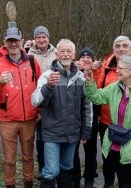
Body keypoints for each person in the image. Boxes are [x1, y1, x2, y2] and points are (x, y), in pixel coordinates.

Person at [84, 54, 131, 188]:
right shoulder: (114, 87)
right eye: (117, 67)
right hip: (115, 145)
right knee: (122, 181)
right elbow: (96, 98)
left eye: (121, 68)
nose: (117, 70)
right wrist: (90, 82)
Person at [31, 39, 93, 188]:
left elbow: (87, 106)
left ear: (73, 55)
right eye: (62, 52)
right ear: (57, 54)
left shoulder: (80, 77)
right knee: (51, 170)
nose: (65, 55)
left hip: (72, 133)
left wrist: (86, 130)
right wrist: (49, 87)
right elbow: (35, 101)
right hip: (52, 132)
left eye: (69, 51)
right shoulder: (48, 75)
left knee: (66, 167)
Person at [0, 27, 42, 188]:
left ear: (21, 41)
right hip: (8, 119)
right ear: (4, 43)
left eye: (15, 40)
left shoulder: (32, 61)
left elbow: (40, 86)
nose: (13, 44)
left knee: (28, 156)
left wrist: (39, 110)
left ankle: (28, 183)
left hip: (29, 119)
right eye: (9, 41)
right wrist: (0, 82)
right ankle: (10, 184)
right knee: (9, 158)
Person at [96, 35, 131, 187]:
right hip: (108, 121)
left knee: (127, 161)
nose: (121, 49)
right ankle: (108, 183)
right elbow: (98, 89)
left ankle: (123, 182)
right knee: (108, 159)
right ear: (113, 49)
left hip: (130, 126)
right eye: (118, 46)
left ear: (130, 49)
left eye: (124, 46)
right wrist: (91, 75)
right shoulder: (106, 65)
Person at [25, 25, 57, 176]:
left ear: (48, 38)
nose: (41, 40)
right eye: (38, 37)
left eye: (44, 37)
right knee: (40, 138)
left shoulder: (57, 53)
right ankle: (42, 167)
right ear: (34, 39)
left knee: (52, 136)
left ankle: (54, 167)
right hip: (36, 100)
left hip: (54, 101)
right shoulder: (27, 54)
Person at [72, 47, 102, 187]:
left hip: (91, 116)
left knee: (91, 149)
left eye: (88, 57)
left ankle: (89, 177)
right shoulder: (73, 71)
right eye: (83, 57)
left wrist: (97, 69)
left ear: (93, 60)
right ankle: (75, 177)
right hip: (75, 116)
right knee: (73, 149)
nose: (85, 59)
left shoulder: (98, 72)